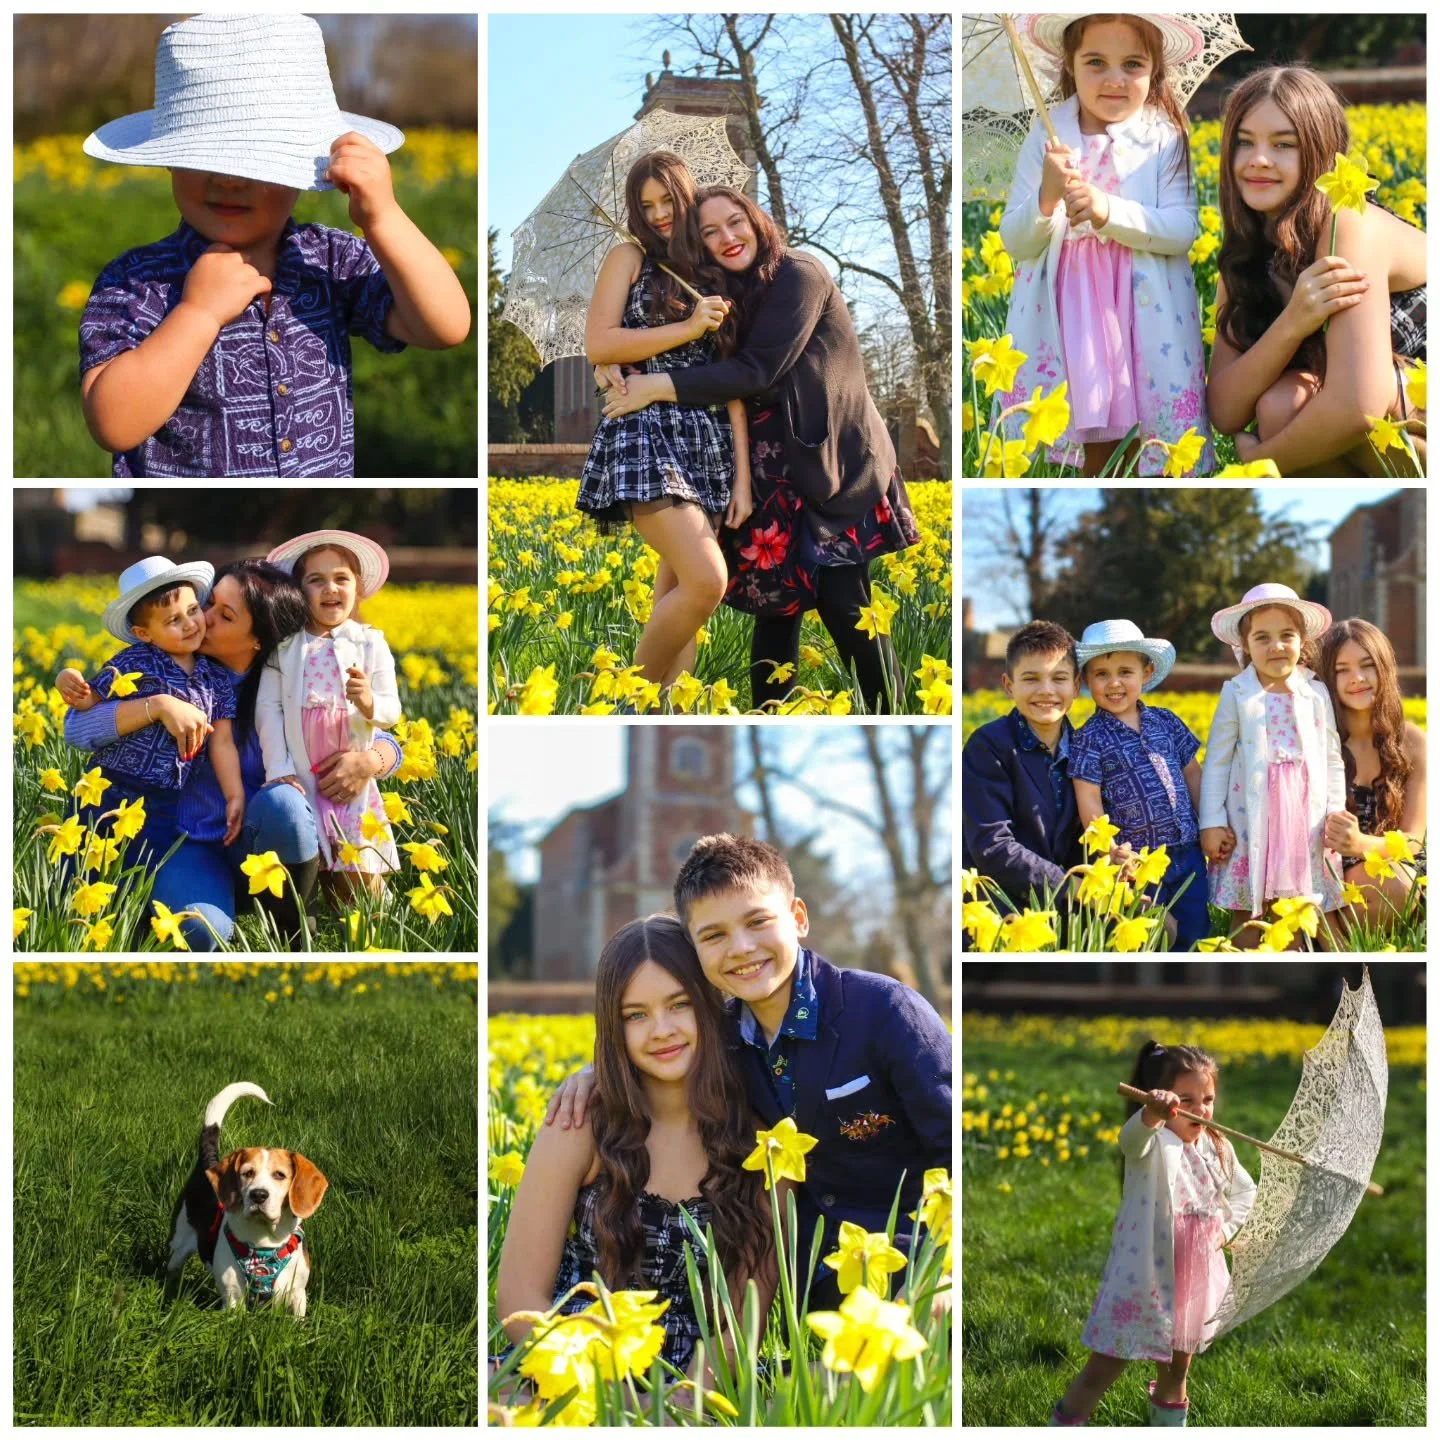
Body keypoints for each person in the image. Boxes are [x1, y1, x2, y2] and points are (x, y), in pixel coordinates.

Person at [544, 834, 952, 1313]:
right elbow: (652, 1049)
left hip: (912, 1265)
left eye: (758, 921)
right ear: (694, 950)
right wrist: (597, 1071)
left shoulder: (884, 1012)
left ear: (798, 918)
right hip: (807, 1287)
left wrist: (933, 1282)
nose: (740, 948)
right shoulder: (719, 1043)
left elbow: (957, 1153)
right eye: (713, 935)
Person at [77, 13, 470, 479]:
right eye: (203, 155)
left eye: (254, 159)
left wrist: (383, 218)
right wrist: (196, 315)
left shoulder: (326, 259)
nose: (227, 179)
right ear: (169, 160)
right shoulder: (138, 282)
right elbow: (114, 424)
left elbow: (445, 326)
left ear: (304, 167)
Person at [600, 187, 919, 714]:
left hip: (833, 466)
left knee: (847, 606)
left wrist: (656, 387)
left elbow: (756, 372)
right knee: (778, 609)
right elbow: (687, 349)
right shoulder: (724, 291)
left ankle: (894, 716)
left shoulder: (801, 274)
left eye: (734, 223)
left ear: (756, 221)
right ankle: (770, 719)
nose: (726, 238)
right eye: (709, 232)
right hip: (771, 470)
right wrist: (608, 361)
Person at [495, 913, 778, 1389]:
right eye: (636, 1015)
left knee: (838, 1385)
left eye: (679, 1004)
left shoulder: (762, 1144)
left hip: (705, 1380)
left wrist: (684, 1404)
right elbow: (520, 1300)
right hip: (577, 1368)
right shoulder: (579, 1123)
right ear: (614, 1026)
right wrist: (616, 1405)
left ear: (710, 1006)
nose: (661, 1030)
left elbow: (744, 1325)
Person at [60, 558, 403, 949]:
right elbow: (77, 727)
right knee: (198, 931)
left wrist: (369, 761)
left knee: (284, 803)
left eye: (222, 615)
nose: (201, 619)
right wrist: (157, 706)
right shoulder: (177, 671)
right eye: (208, 604)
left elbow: (377, 737)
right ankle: (168, 905)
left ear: (257, 638)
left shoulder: (289, 686)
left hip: (260, 841)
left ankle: (294, 929)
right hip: (193, 841)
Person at [997, 14, 1214, 477]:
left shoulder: (1164, 136)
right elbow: (1014, 241)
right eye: (1096, 62)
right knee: (1087, 429)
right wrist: (1048, 197)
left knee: (1147, 430)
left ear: (1155, 70)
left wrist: (1106, 212)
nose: (1114, 79)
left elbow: (1181, 229)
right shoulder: (1046, 134)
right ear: (1069, 66)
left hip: (1142, 309)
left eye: (1132, 64)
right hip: (1069, 311)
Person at [577, 151, 752, 691]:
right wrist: (691, 326)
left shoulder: (713, 272)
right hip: (645, 432)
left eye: (666, 200)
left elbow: (735, 382)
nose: (656, 214)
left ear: (687, 195)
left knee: (681, 600)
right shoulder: (627, 258)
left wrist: (743, 476)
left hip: (708, 441)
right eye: (644, 204)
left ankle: (670, 711)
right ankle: (626, 703)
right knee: (706, 581)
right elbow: (599, 342)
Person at [1206, 67, 1427, 477]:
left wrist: (1262, 464)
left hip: (1416, 404)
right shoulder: (1246, 257)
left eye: (1283, 144)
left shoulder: (1349, 222)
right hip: (1380, 413)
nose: (1258, 159)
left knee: (1291, 412)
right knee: (1280, 407)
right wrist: (1293, 321)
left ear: (1323, 155)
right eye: (1244, 142)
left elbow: (1361, 403)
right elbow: (1224, 411)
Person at [1050, 1041, 1256, 1426]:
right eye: (1186, 1099)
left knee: (1177, 1369)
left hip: (1193, 1275)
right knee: (1104, 1367)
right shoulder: (1154, 1143)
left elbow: (1246, 1192)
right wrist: (1151, 1115)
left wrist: (1223, 1232)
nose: (1201, 1110)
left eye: (1207, 1098)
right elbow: (1130, 1140)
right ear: (1161, 1101)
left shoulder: (1218, 1146)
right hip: (1143, 1276)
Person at [1199, 583, 1346, 948]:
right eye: (1262, 637)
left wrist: (1336, 811)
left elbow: (1331, 756)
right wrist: (1212, 822)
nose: (1276, 646)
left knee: (1312, 905)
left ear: (1302, 641)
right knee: (1249, 905)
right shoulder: (1236, 691)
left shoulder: (1316, 692)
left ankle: (1312, 954)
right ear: (1245, 646)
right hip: (1251, 816)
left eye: (1287, 636)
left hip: (1305, 818)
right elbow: (1216, 761)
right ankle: (1249, 952)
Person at [258, 530, 401, 894]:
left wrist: (368, 702)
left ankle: (375, 930)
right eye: (316, 580)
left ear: (357, 587)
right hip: (301, 777)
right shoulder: (285, 647)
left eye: (341, 579)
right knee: (312, 869)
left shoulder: (371, 642)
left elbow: (391, 712)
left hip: (354, 782)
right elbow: (269, 710)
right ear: (298, 589)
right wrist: (279, 771)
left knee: (359, 881)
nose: (330, 589)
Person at [1069, 619, 1225, 950]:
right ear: (1085, 680)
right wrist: (1109, 851)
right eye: (1101, 675)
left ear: (1147, 673)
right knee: (1151, 936)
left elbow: (1193, 775)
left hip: (1188, 851)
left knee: (1197, 931)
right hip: (1135, 863)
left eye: (1125, 672)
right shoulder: (1087, 738)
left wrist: (1212, 823)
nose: (1114, 683)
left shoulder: (1166, 721)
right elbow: (1090, 800)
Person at [962, 621, 1083, 913]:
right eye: (1031, 679)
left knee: (1160, 927)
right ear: (1008, 686)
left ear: (1076, 686)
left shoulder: (1086, 749)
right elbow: (993, 846)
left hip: (1069, 902)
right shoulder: (989, 746)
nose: (1046, 690)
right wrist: (1072, 888)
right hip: (1004, 904)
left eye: (1059, 678)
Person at [1317, 618, 1426, 930]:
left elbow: (1413, 842)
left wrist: (1360, 843)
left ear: (1385, 668)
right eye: (1342, 670)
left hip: (1395, 867)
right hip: (1327, 878)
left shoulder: (1414, 742)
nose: (1358, 678)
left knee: (1399, 882)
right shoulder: (1316, 743)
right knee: (1396, 885)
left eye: (1367, 665)